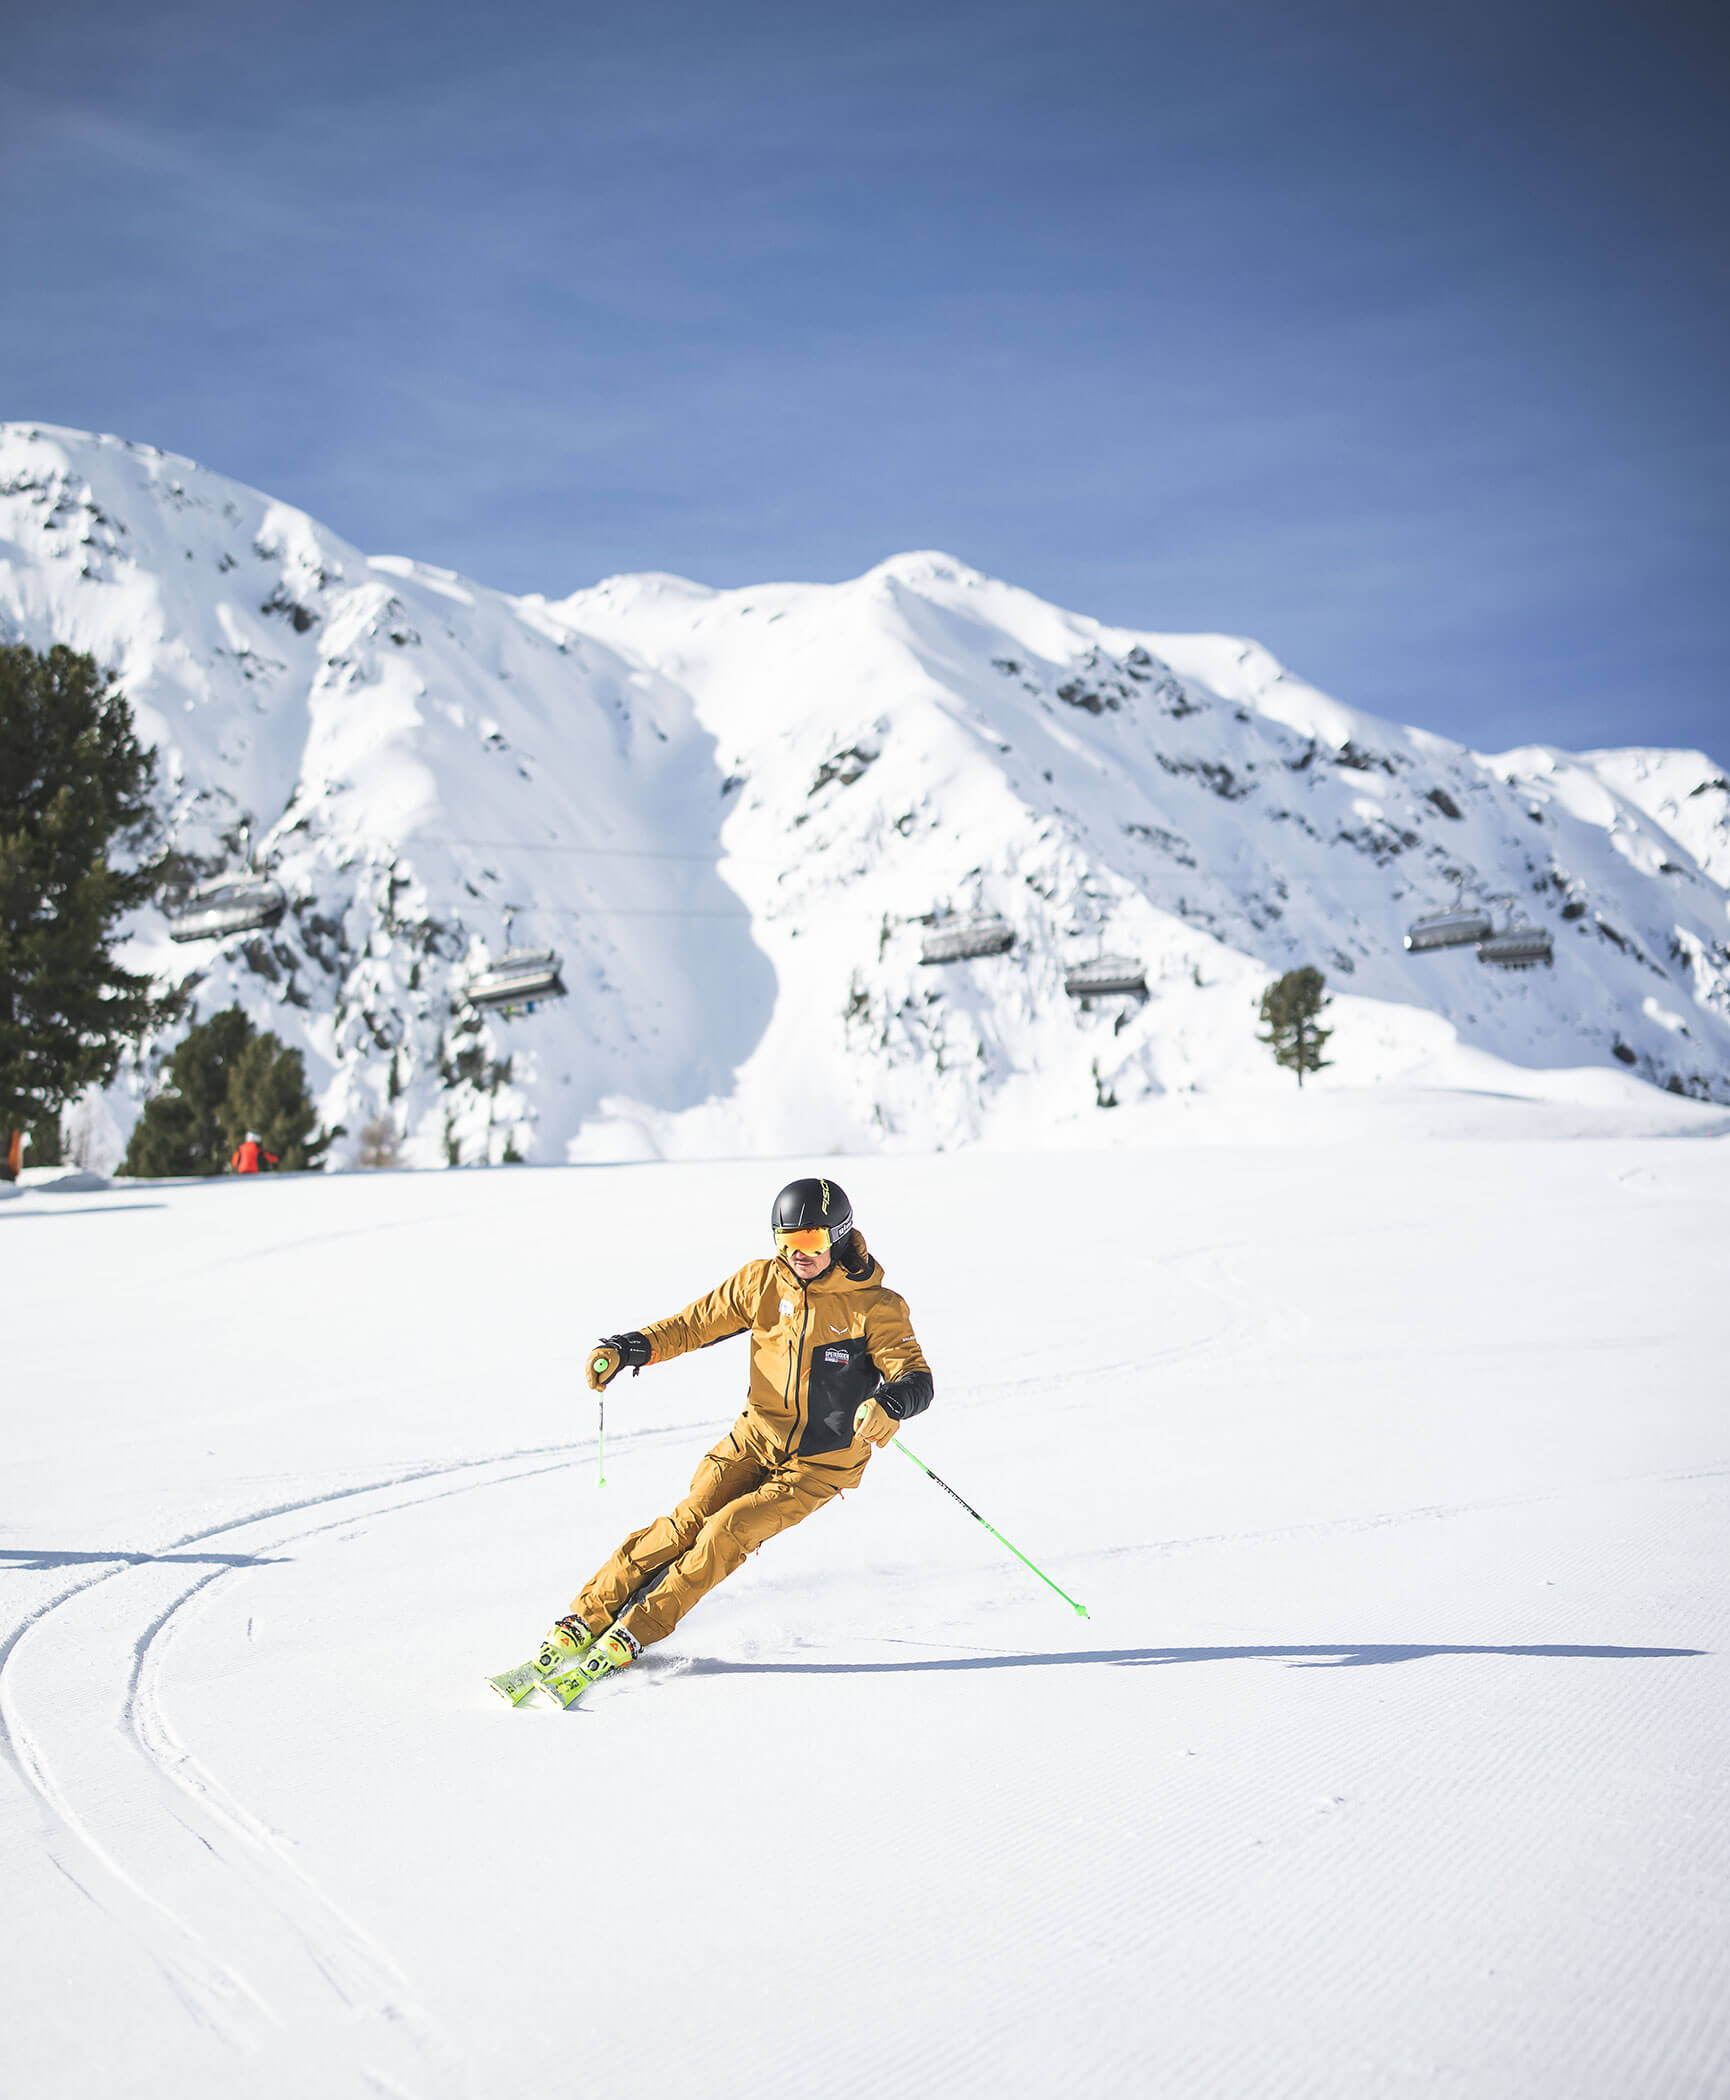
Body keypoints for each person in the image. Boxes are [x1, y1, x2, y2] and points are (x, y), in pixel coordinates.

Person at [537, 1176, 933, 1703]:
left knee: (727, 1530)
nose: (800, 1255)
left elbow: (915, 1376)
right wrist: (627, 1348)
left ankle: (637, 1631)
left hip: (820, 1464)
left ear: (838, 1237)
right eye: (787, 1243)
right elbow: (689, 1326)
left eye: (812, 1242)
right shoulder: (760, 1284)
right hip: (755, 1438)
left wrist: (889, 1404)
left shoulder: (874, 1306)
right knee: (689, 1520)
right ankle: (586, 1617)